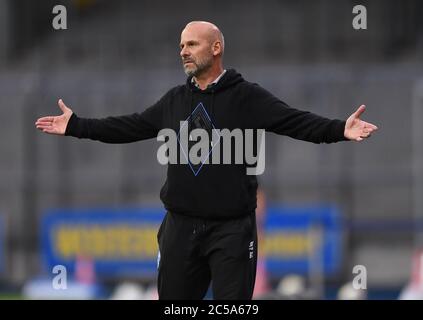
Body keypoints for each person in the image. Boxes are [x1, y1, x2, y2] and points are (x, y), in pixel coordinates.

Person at [35, 21, 378, 300]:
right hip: (179, 230)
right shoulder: (174, 100)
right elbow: (129, 126)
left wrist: (339, 128)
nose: (183, 51)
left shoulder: (247, 97)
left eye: (192, 44)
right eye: (181, 45)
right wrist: (76, 125)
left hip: (232, 230)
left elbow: (297, 121)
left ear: (216, 48)